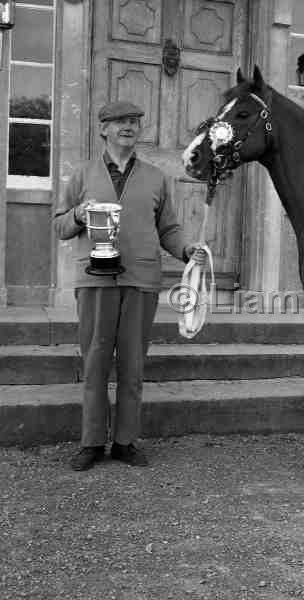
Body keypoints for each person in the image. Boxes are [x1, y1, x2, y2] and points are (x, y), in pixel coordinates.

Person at [54, 100, 205, 471]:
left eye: (135, 121)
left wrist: (187, 249)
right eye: (120, 121)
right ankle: (91, 442)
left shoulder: (156, 177)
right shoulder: (82, 174)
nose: (129, 126)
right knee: (94, 363)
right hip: (95, 280)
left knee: (133, 366)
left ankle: (125, 441)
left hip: (141, 280)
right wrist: (78, 213)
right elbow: (60, 226)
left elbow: (168, 228)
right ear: (103, 128)